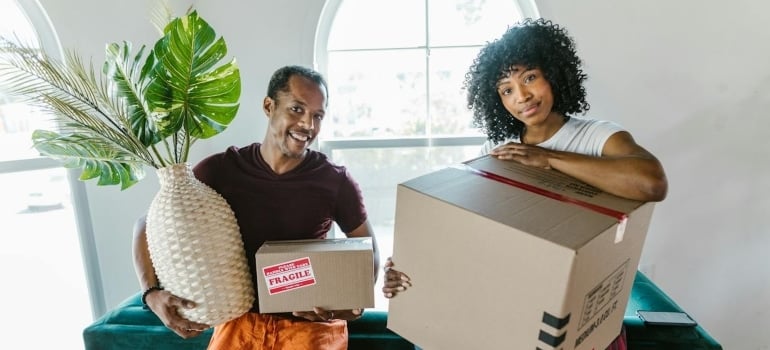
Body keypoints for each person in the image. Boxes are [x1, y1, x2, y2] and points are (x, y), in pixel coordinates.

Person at [382, 18, 668, 350]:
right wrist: (411, 265)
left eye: (529, 77)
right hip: (519, 302)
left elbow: (652, 183)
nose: (522, 96)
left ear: (553, 73)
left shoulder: (597, 135)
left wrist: (548, 159)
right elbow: (471, 234)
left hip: (578, 310)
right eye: (506, 89)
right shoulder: (494, 152)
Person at [133, 65, 380, 350]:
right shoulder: (221, 171)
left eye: (318, 116)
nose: (308, 126)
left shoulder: (335, 181)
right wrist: (151, 294)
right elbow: (147, 224)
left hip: (311, 328)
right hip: (239, 323)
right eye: (297, 109)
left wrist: (344, 308)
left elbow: (367, 251)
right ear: (268, 106)